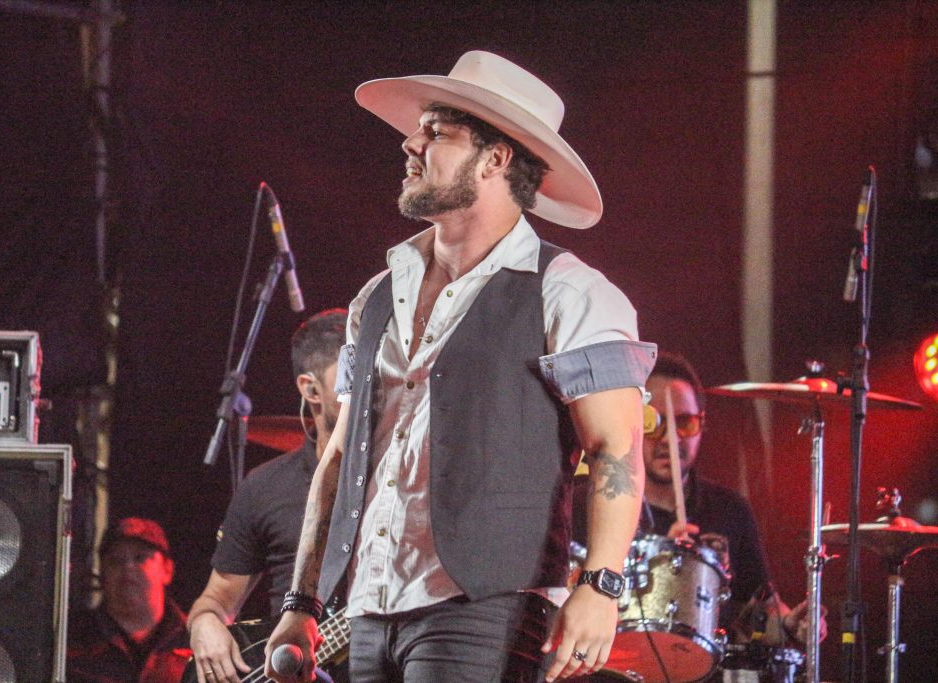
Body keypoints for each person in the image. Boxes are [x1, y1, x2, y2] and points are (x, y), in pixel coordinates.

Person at [265, 51, 657, 683]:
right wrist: (301, 602)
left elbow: (616, 447)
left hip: (487, 605)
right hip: (371, 604)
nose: (410, 143)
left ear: (496, 158)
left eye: (437, 132)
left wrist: (602, 585)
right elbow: (339, 455)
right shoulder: (376, 296)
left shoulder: (568, 292)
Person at [188, 309, 348, 683]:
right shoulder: (265, 486)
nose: (369, 388)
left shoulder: (404, 478)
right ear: (311, 390)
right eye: (350, 377)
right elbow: (217, 599)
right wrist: (204, 624)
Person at [627, 351, 825, 646]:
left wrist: (788, 624)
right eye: (655, 423)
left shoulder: (729, 510)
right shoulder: (595, 506)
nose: (671, 438)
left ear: (702, 425)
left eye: (685, 423)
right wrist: (667, 566)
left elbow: (755, 612)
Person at [67, 517, 191, 683]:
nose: (127, 567)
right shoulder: (71, 641)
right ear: (102, 572)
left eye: (140, 558)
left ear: (167, 570)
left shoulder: (197, 643)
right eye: (116, 560)